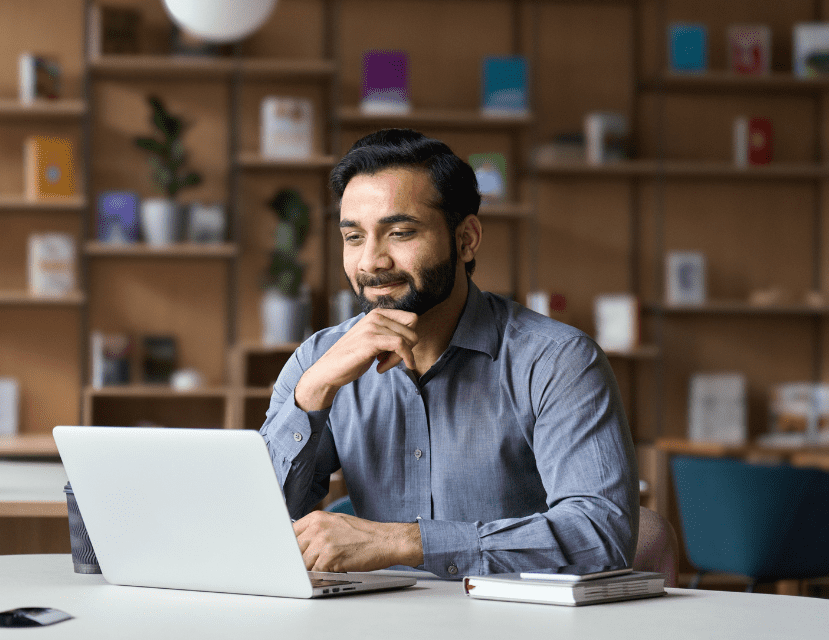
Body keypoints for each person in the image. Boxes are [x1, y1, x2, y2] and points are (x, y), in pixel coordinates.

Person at [259, 129, 638, 579]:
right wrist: (312, 394)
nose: (371, 262)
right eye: (354, 237)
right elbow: (252, 527)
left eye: (399, 232)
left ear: (466, 239)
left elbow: (601, 536)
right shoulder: (317, 360)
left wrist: (406, 542)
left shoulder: (558, 361)